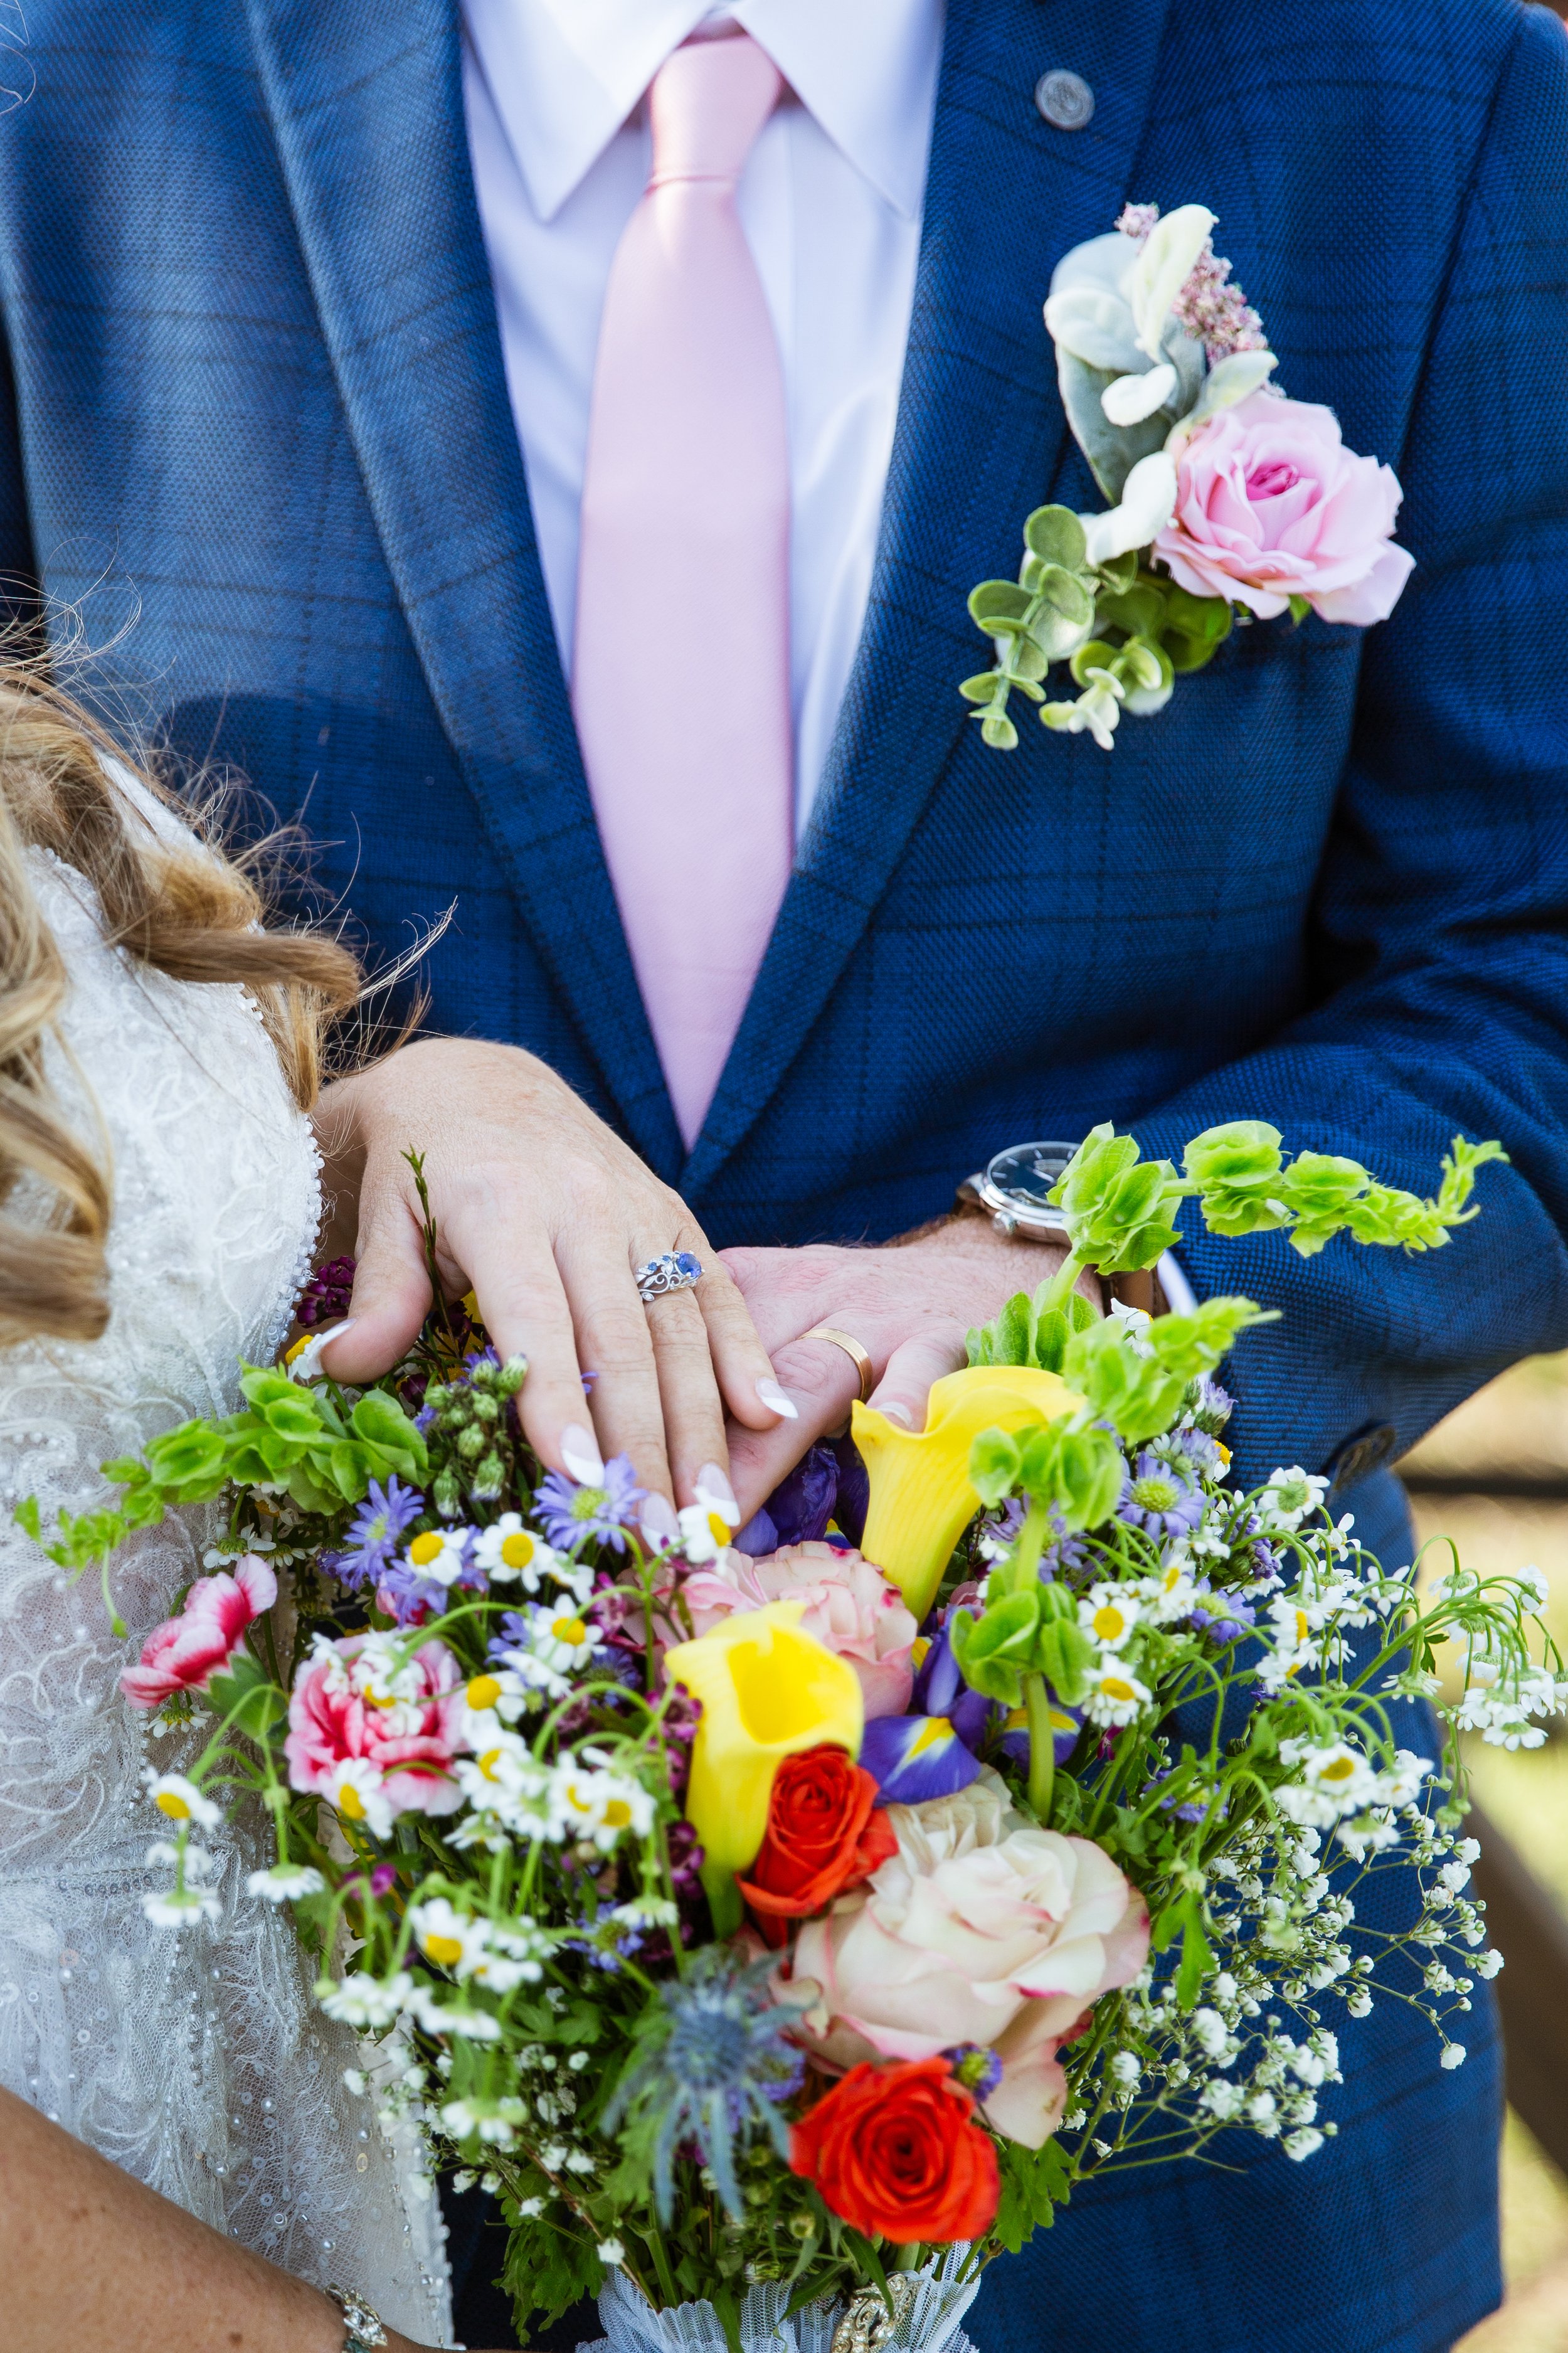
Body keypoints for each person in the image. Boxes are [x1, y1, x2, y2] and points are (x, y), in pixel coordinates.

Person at [2, 3, 1566, 2350]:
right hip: (273, 2080)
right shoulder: (63, 95)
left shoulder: (1418, 102)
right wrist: (347, 1108)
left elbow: (1531, 968)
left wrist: (1064, 1281)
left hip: (1151, 2086)